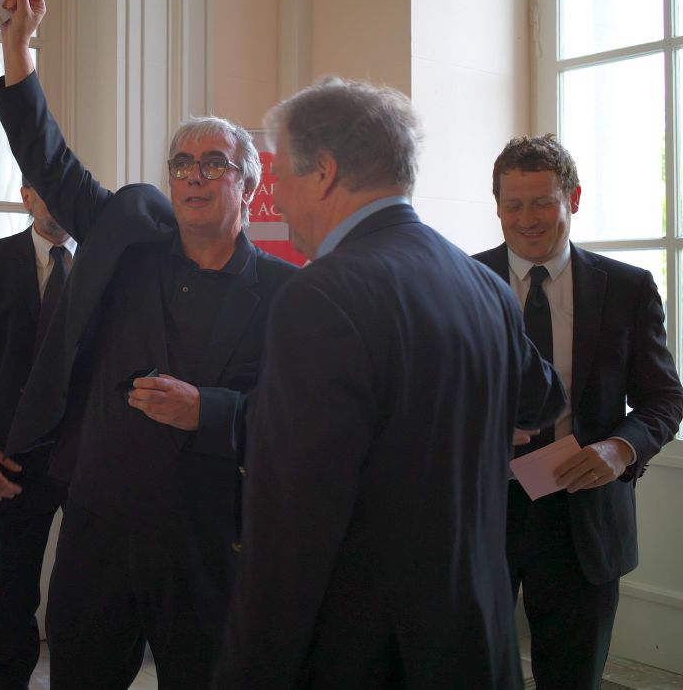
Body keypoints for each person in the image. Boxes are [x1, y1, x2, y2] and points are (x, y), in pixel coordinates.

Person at [0, 0, 298, 689]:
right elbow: (51, 163)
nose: (194, 177)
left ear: (249, 187)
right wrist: (18, 49)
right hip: (100, 524)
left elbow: (291, 418)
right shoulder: (129, 242)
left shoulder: (287, 294)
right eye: (182, 164)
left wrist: (206, 409)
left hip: (205, 537)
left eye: (214, 164)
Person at [214, 78, 565, 689]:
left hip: (367, 659)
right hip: (477, 644)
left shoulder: (319, 296)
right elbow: (543, 400)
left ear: (323, 172)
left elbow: (290, 529)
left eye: (279, 176)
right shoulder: (482, 284)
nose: (277, 197)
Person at [473, 135, 683, 690]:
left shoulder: (628, 288)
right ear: (497, 206)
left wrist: (621, 448)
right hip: (481, 513)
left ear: (574, 198)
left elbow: (665, 398)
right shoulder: (461, 281)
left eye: (543, 202)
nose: (527, 219)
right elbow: (428, 397)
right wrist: (478, 427)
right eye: (513, 205)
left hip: (582, 517)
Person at [0, 180, 75, 688]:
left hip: (91, 464)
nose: (59, 201)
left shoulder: (107, 263)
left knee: (86, 605)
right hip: (11, 461)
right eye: (47, 191)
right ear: (27, 196)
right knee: (11, 605)